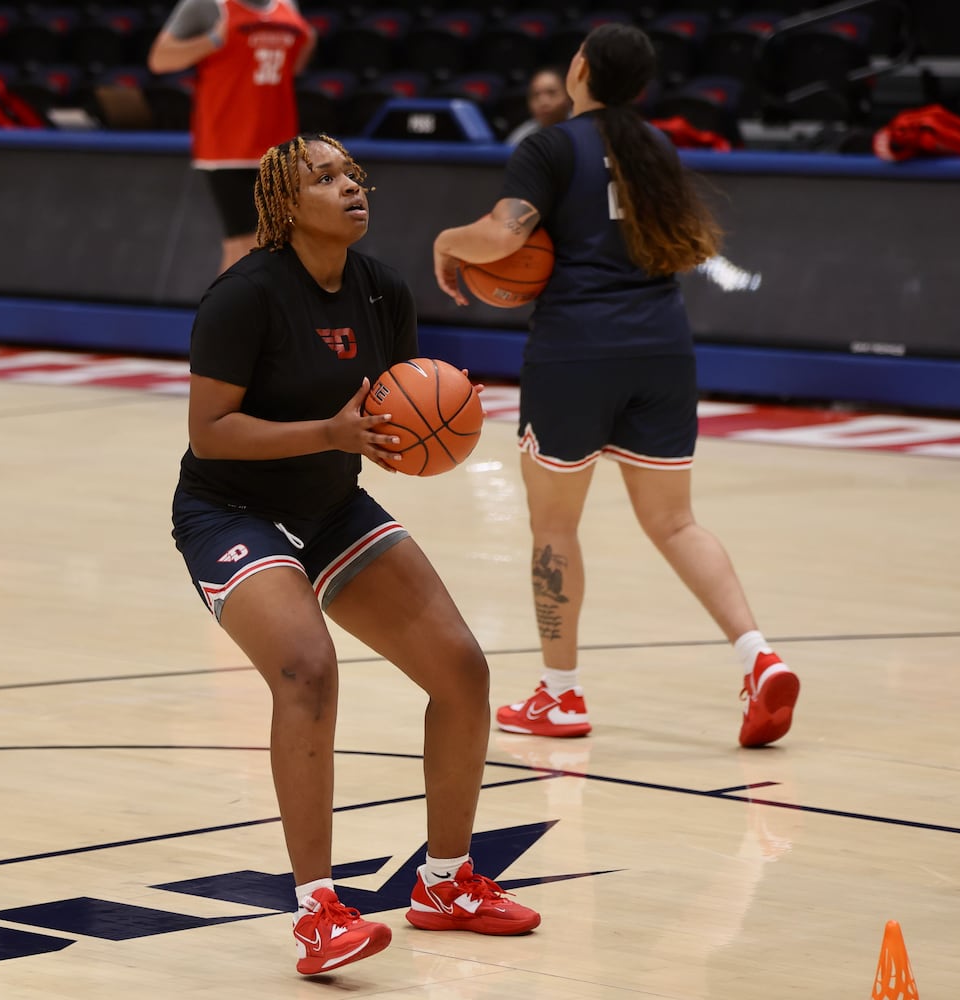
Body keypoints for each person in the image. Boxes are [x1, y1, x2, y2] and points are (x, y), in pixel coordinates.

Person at [170, 133, 541, 977]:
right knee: (306, 667)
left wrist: (426, 430)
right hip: (230, 507)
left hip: (330, 504)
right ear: (282, 204)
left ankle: (445, 883)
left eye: (353, 175)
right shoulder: (243, 297)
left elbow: (393, 413)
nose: (349, 187)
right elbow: (210, 432)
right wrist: (331, 433)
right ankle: (318, 911)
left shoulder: (383, 291)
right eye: (325, 177)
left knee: (463, 670)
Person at [431, 24, 800, 747]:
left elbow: (506, 234)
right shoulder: (655, 147)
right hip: (663, 350)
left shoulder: (548, 145)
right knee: (676, 523)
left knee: (554, 527)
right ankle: (758, 655)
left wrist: (446, 243)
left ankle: (560, 696)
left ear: (580, 70)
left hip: (575, 353)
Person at [148, 0, 316, 276]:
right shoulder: (206, 6)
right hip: (228, 146)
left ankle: (234, 318)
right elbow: (159, 59)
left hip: (277, 145)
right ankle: (227, 318)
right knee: (249, 247)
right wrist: (213, 40)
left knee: (270, 248)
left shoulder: (288, 7)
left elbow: (294, 66)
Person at [506, 66, 572, 146]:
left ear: (569, 96)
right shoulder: (521, 137)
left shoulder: (584, 131)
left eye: (551, 93)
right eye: (535, 95)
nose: (543, 102)